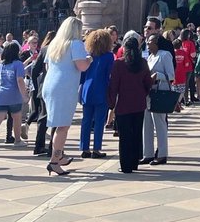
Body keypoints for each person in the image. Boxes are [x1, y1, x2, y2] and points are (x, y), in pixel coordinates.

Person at [41, 16, 91, 176]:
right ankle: (54, 161)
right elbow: (82, 66)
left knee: (58, 124)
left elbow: (47, 65)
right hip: (64, 87)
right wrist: (89, 59)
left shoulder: (55, 44)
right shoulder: (76, 44)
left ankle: (59, 154)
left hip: (51, 84)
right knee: (63, 126)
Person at [107, 34, 153, 173]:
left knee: (125, 136)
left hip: (123, 105)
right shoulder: (143, 63)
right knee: (137, 134)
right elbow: (148, 83)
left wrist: (111, 103)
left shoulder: (119, 64)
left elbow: (113, 86)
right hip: (139, 104)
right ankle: (134, 162)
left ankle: (126, 165)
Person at [0, 42, 28, 149]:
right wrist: (25, 95)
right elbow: (19, 80)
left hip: (1, 94)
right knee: (16, 118)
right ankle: (17, 140)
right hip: (14, 94)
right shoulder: (18, 64)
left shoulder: (0, 64)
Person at [79, 28, 114, 158]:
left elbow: (82, 74)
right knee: (99, 121)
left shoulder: (88, 55)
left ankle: (84, 147)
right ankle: (96, 149)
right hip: (102, 89)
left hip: (87, 89)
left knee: (86, 120)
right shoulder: (109, 56)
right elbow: (109, 74)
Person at [142, 33, 175, 165]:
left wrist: (158, 75)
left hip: (160, 91)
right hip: (148, 92)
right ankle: (148, 153)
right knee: (147, 123)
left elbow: (171, 75)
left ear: (156, 42)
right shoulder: (150, 57)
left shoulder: (165, 55)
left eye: (150, 42)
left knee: (159, 124)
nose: (148, 44)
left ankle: (162, 154)